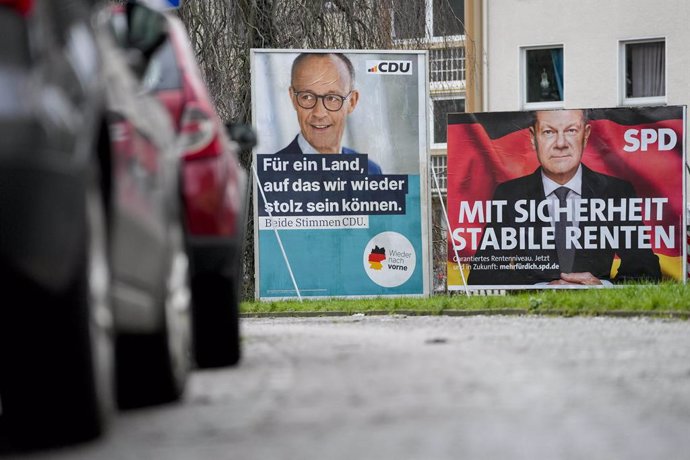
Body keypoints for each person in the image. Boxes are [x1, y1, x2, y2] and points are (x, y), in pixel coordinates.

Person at [467, 108, 661, 286]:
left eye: (571, 131)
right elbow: (482, 276)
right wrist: (541, 288)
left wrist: (603, 288)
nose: (561, 144)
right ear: (533, 138)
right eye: (549, 132)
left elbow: (647, 271)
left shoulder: (617, 192)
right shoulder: (509, 195)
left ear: (586, 135)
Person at [275, 52, 382, 175]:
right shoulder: (271, 174)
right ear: (293, 98)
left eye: (332, 98)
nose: (319, 113)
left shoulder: (370, 171)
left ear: (352, 102)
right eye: (307, 97)